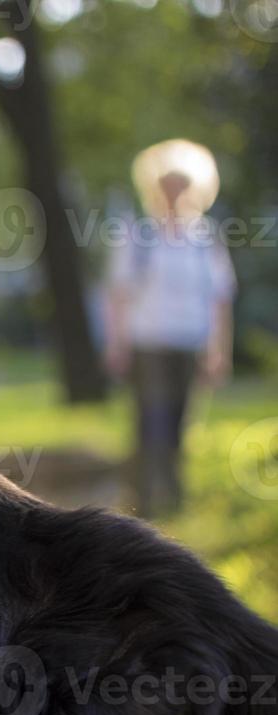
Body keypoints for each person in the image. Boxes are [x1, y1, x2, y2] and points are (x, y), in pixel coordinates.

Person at [104, 139, 237, 517]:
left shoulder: (204, 238)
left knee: (179, 423)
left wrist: (218, 349)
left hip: (189, 341)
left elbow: (220, 299)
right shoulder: (138, 235)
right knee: (150, 420)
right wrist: (116, 345)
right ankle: (140, 500)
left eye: (181, 185)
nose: (174, 193)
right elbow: (117, 295)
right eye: (167, 184)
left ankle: (175, 500)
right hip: (148, 341)